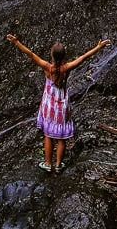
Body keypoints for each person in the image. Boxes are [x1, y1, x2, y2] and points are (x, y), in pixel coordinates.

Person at [6, 33, 109, 172]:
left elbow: (30, 54)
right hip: (62, 105)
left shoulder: (47, 67)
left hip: (49, 104)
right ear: (64, 56)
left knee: (48, 135)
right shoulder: (67, 68)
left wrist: (16, 42)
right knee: (61, 138)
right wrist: (98, 47)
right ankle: (59, 164)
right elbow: (84, 57)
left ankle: (48, 164)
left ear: (52, 55)